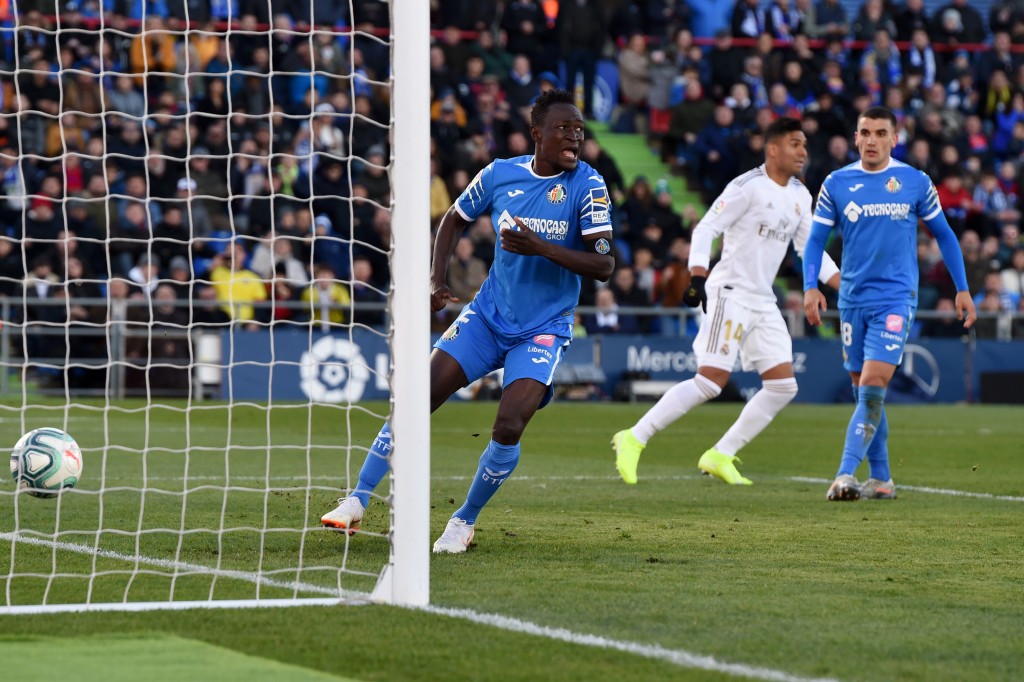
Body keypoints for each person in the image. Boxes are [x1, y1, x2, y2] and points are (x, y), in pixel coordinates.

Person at [321, 89, 615, 553]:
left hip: (543, 328)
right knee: (419, 397)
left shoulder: (589, 185)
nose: (574, 136)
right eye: (564, 128)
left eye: (579, 129)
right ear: (537, 133)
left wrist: (538, 246)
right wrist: (435, 281)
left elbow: (604, 266)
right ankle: (357, 499)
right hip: (487, 317)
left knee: (509, 424)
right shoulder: (500, 174)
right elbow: (453, 220)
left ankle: (463, 521)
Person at [611, 117, 840, 486]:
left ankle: (720, 454)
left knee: (783, 386)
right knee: (711, 381)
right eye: (795, 144)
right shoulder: (747, 187)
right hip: (729, 292)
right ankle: (634, 437)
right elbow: (706, 228)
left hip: (763, 299)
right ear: (773, 148)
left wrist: (841, 284)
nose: (803, 152)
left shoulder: (799, 195)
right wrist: (698, 275)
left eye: (804, 145)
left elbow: (809, 249)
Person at [802, 106, 976, 502]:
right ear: (856, 137)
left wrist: (961, 288)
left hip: (896, 300)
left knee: (873, 384)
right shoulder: (836, 183)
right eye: (865, 132)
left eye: (881, 133)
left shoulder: (914, 182)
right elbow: (814, 241)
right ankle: (881, 479)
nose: (872, 140)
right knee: (865, 392)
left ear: (894, 139)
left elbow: (945, 236)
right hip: (851, 301)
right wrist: (812, 286)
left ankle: (845, 474)